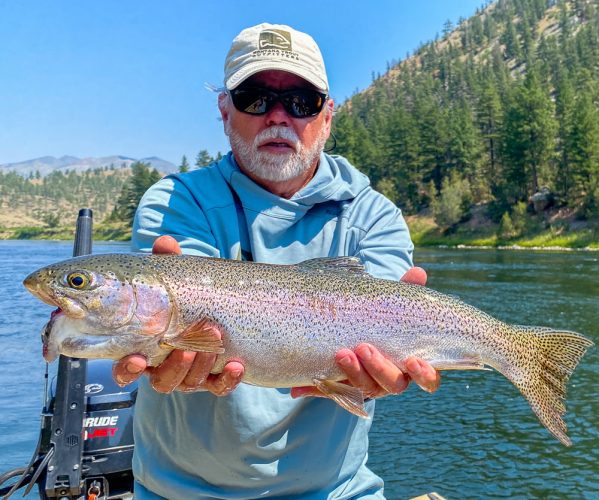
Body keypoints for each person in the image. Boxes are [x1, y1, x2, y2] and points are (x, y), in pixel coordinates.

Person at [113, 23, 440, 499]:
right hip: (178, 492)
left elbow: (384, 350)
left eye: (302, 102)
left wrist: (380, 374)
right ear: (225, 112)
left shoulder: (373, 216)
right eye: (256, 98)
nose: (278, 117)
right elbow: (189, 340)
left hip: (338, 491)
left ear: (327, 117)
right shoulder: (176, 203)